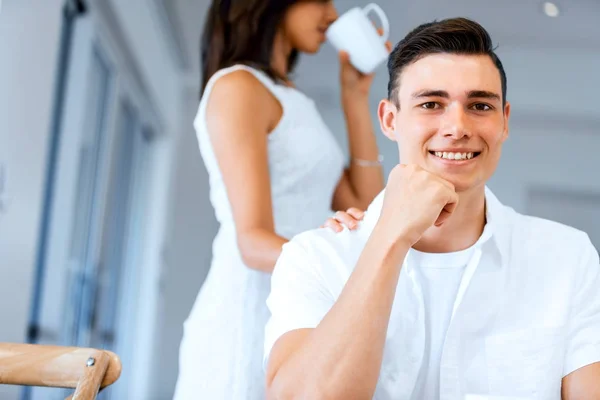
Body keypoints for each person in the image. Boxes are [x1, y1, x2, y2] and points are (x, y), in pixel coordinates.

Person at [264, 17, 600, 400]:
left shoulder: (567, 257)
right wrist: (390, 236)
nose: (457, 126)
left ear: (503, 122)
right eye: (431, 103)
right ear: (391, 120)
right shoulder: (314, 258)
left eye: (479, 105)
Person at [173, 0, 390, 398]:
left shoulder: (290, 98)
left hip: (295, 305)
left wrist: (355, 98)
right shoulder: (237, 87)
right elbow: (252, 242)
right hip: (247, 315)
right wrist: (350, 274)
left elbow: (365, 201)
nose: (331, 14)